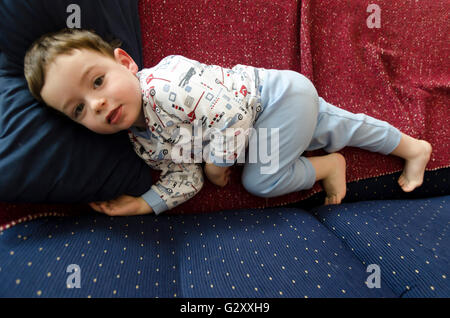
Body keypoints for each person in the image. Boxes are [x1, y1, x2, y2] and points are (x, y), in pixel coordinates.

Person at [24, 29, 432, 216]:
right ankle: (412, 147)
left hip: (274, 100)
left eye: (97, 82)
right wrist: (144, 204)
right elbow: (186, 180)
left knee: (261, 180)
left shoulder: (166, 85)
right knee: (341, 126)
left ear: (126, 64)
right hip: (279, 113)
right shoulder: (143, 142)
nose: (95, 104)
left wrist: (217, 164)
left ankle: (329, 165)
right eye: (77, 109)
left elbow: (233, 113)